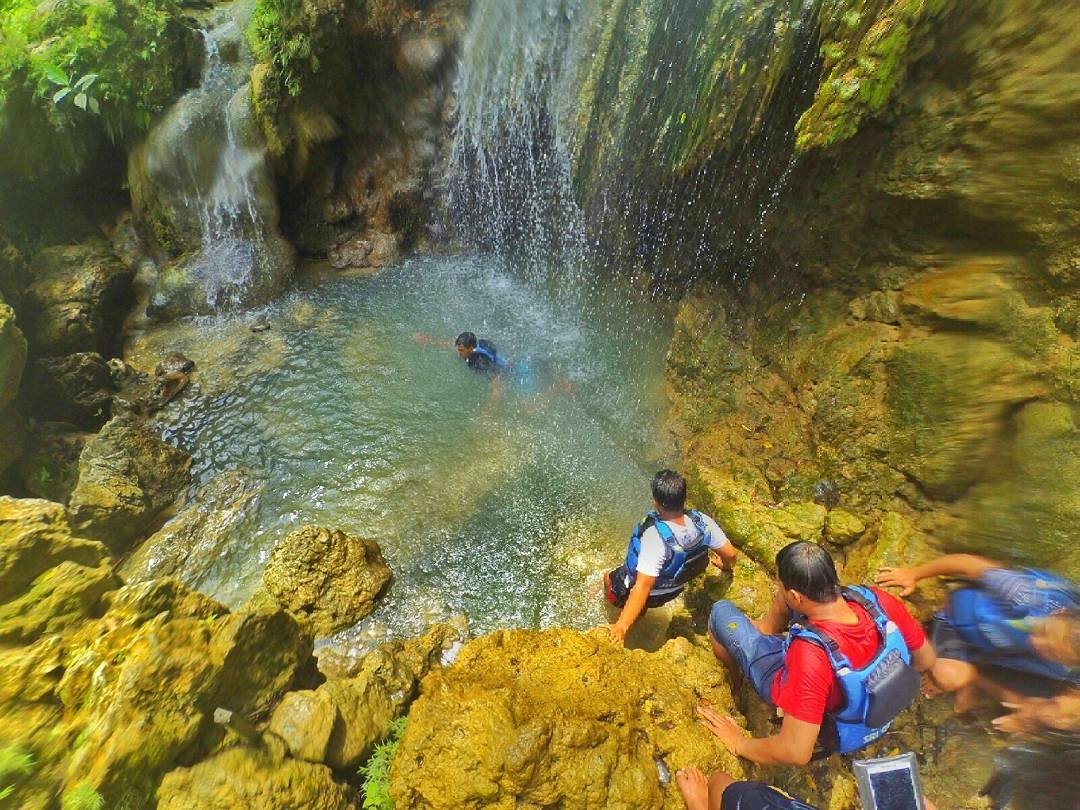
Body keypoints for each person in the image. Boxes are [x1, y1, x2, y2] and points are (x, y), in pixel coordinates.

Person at [701, 541, 935, 764]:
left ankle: (735, 681)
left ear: (795, 596)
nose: (780, 591)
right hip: (869, 706)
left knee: (720, 611)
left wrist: (739, 743)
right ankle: (766, 629)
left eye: (781, 588)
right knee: (788, 607)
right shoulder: (875, 600)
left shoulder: (810, 656)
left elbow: (796, 751)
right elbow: (926, 659)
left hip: (830, 713)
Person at [876, 555, 1080, 707]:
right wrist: (913, 574)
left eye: (1052, 653)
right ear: (1058, 612)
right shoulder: (1025, 595)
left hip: (989, 650)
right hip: (954, 621)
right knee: (949, 677)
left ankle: (972, 677)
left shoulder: (1069, 670)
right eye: (1043, 632)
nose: (1038, 643)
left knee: (1035, 702)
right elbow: (969, 564)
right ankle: (935, 651)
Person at [605, 469, 737, 645]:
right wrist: (726, 567)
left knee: (608, 578)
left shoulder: (655, 537)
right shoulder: (702, 521)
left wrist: (621, 625)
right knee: (642, 591)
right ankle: (639, 612)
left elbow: (643, 586)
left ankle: (623, 610)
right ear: (684, 497)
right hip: (674, 589)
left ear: (656, 502)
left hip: (651, 593)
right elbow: (730, 554)